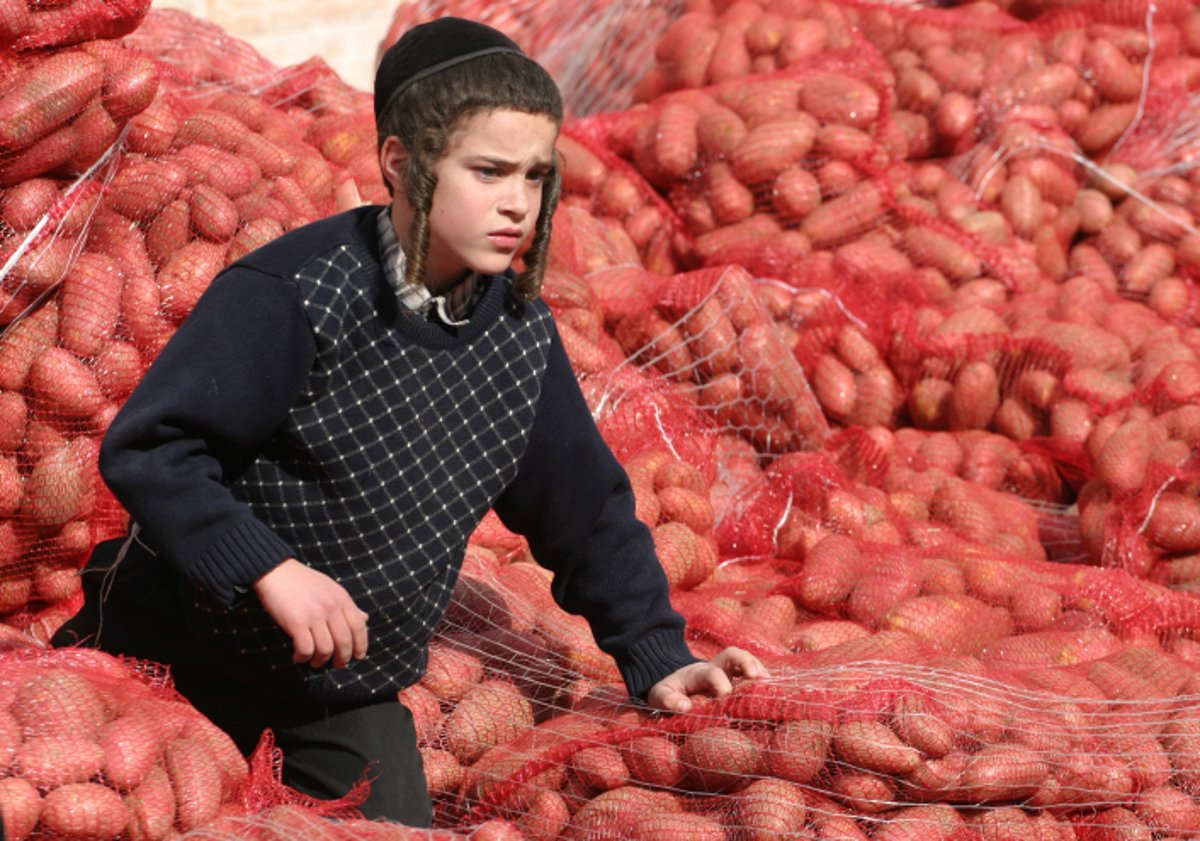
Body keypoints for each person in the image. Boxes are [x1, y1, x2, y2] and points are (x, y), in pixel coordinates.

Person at [53, 16, 766, 825]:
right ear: (402, 162)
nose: (516, 202)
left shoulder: (518, 334)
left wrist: (656, 651)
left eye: (535, 176)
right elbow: (153, 447)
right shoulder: (300, 292)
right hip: (175, 644)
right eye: (488, 170)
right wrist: (271, 570)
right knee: (99, 808)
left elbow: (585, 505)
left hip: (338, 685)